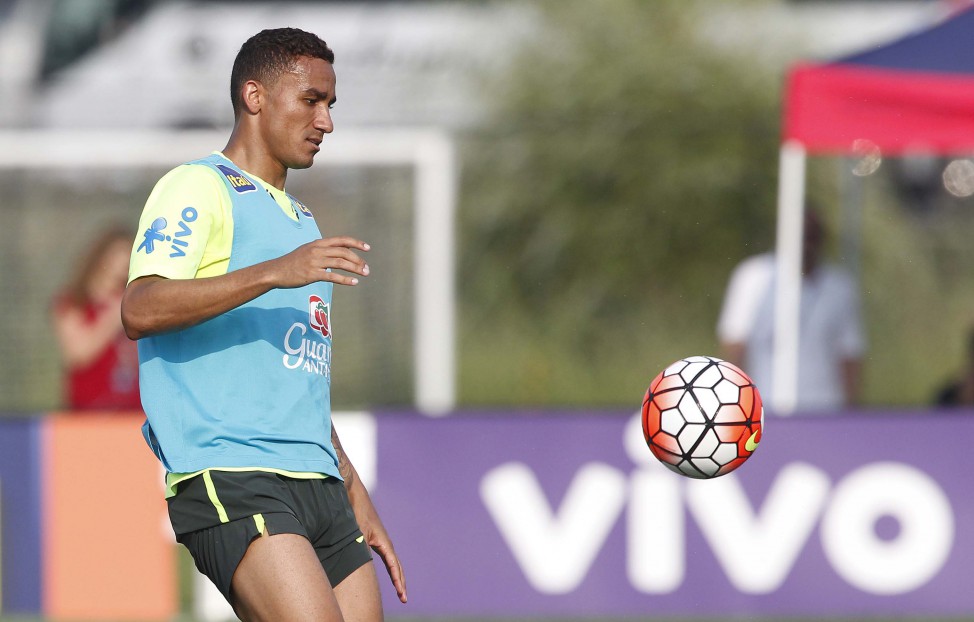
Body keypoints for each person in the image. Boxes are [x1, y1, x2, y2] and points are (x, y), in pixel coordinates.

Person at [121, 28, 405, 621]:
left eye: (330, 105)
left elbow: (294, 379)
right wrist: (275, 272)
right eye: (311, 100)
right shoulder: (197, 186)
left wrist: (353, 488)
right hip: (232, 471)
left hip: (320, 484)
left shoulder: (304, 223)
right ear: (255, 96)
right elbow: (140, 308)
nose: (326, 121)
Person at [717, 207, 866, 413]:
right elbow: (735, 346)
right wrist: (734, 406)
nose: (807, 243)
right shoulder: (754, 277)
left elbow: (850, 354)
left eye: (813, 235)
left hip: (826, 410)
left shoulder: (839, 287)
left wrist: (851, 410)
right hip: (766, 406)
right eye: (802, 235)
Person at [52, 226, 141, 411]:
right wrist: (113, 316)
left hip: (133, 412)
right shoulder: (73, 302)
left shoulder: (135, 303)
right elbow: (78, 353)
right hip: (89, 412)